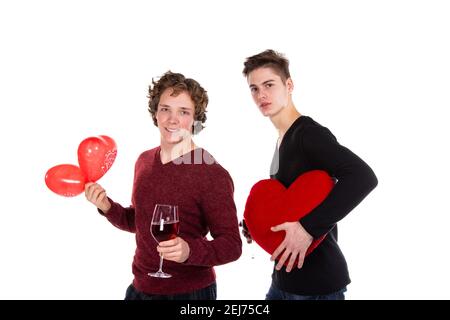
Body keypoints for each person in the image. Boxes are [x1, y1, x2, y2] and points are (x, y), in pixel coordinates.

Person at [85, 71, 242, 300]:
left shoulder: (211, 174)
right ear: (156, 113)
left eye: (184, 112)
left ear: (195, 120)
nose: (173, 119)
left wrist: (189, 251)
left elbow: (232, 246)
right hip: (140, 288)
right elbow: (140, 221)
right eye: (165, 109)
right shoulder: (144, 161)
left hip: (189, 294)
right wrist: (108, 207)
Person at [240, 50, 378, 300]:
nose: (261, 95)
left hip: (317, 287)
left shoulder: (308, 134)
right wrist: (258, 223)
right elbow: (291, 204)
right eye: (254, 88)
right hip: (283, 282)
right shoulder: (283, 138)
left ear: (289, 85)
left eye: (269, 85)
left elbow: (363, 177)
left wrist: (307, 228)